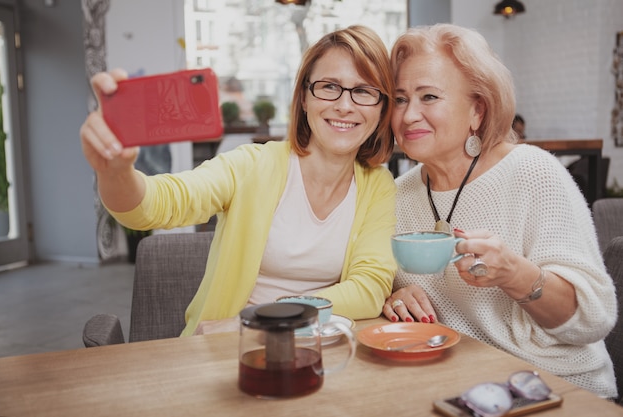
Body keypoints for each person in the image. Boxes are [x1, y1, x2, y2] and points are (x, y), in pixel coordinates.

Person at [80, 25, 397, 337]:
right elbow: (156, 205)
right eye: (329, 86)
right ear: (303, 97)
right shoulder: (252, 165)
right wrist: (115, 172)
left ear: (381, 107)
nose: (344, 105)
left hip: (317, 347)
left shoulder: (378, 185)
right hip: (227, 345)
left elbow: (369, 289)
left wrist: (269, 317)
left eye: (364, 91)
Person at [383, 23, 617, 399]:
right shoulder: (396, 194)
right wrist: (392, 299)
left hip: (553, 388)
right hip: (455, 386)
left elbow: (593, 320)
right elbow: (386, 287)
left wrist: (514, 274)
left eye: (428, 97)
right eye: (399, 99)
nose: (408, 115)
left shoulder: (533, 172)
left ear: (477, 109)